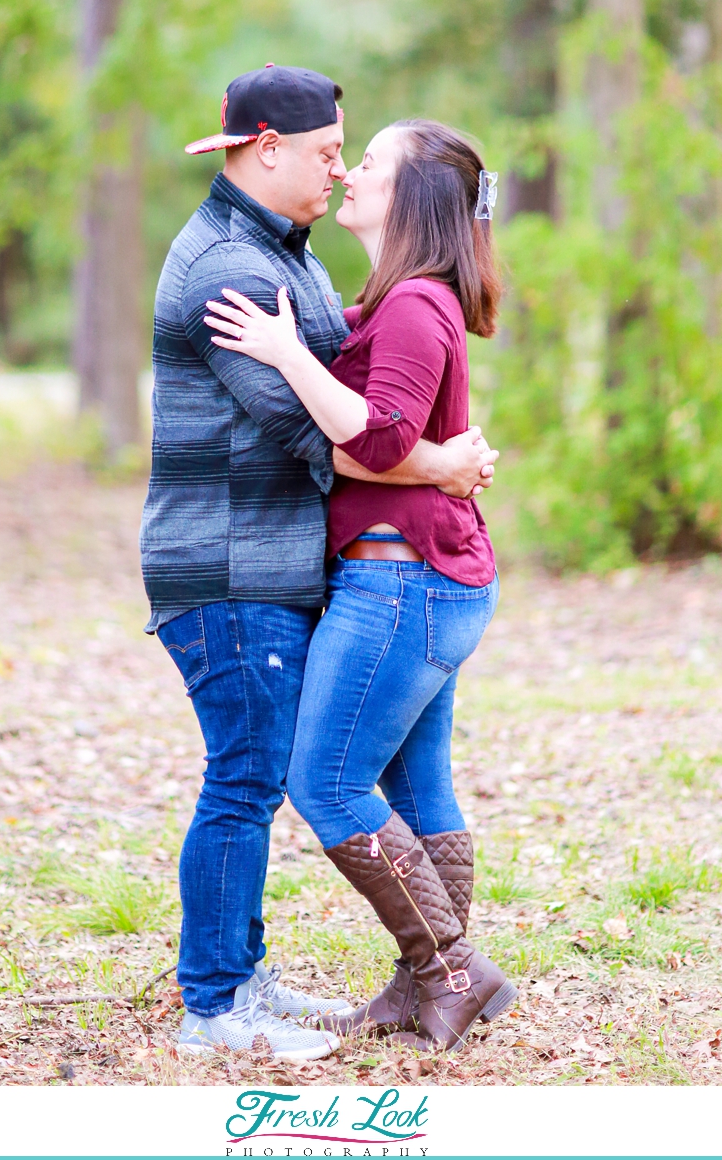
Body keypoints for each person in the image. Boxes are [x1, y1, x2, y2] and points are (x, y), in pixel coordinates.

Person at [140, 68, 499, 1061]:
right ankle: (216, 1006)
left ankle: (303, 980)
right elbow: (333, 438)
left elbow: (378, 399)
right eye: (332, 151)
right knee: (253, 776)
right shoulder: (230, 270)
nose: (341, 168)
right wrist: (452, 461)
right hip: (227, 567)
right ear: (269, 148)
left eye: (357, 155)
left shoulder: (287, 258)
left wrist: (439, 450)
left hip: (299, 566)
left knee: (293, 776)